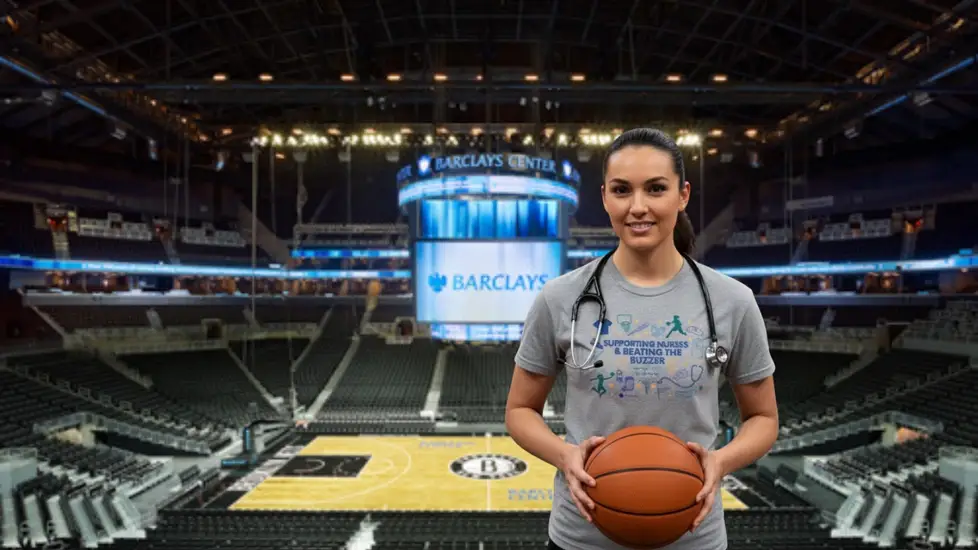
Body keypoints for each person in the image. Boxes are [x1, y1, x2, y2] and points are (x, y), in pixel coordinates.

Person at [505, 128, 779, 550]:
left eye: (655, 189)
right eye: (621, 190)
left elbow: (763, 418)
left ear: (682, 194)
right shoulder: (560, 297)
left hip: (693, 537)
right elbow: (520, 410)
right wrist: (564, 454)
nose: (638, 207)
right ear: (604, 198)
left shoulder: (732, 300)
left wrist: (721, 461)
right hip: (582, 536)